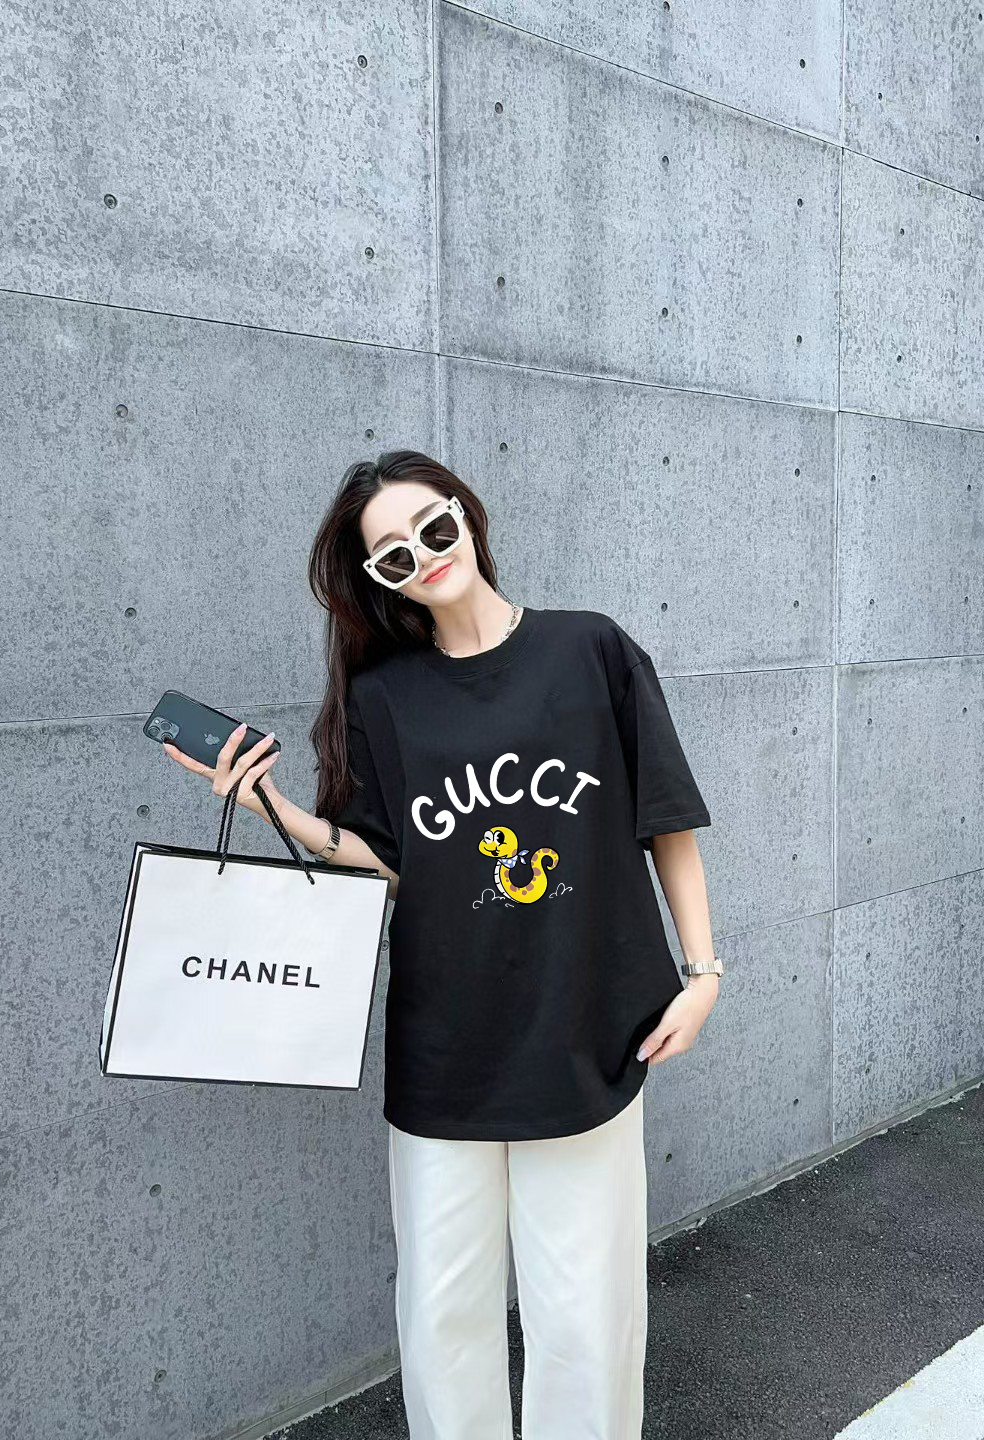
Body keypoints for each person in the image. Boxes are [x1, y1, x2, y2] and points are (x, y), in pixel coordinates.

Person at [162, 450, 722, 1440]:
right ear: (378, 581)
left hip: (586, 1035)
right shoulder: (385, 699)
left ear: (466, 514)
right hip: (444, 1049)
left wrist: (703, 971)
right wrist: (272, 806)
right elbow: (385, 861)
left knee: (584, 1323)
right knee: (442, 1321)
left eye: (432, 527)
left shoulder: (591, 649)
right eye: (392, 555)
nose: (421, 555)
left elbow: (664, 817)